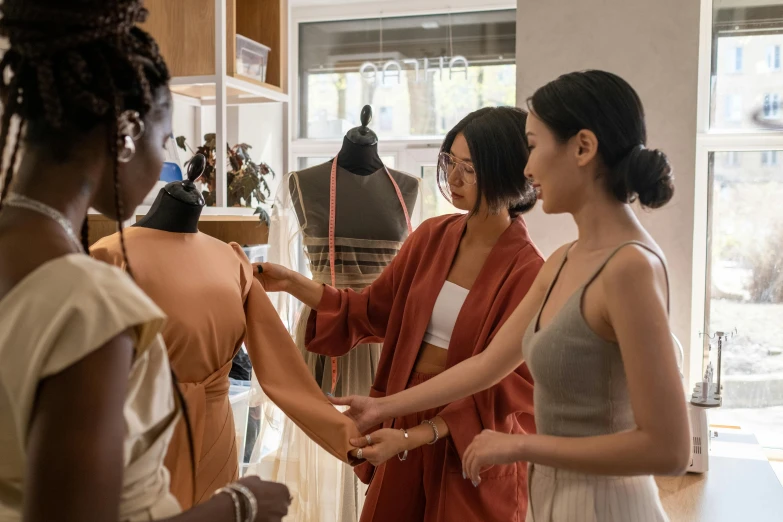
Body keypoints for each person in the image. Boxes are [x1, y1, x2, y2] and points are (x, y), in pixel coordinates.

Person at [334, 70, 691, 521]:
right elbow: (484, 368)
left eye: (535, 146)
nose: (526, 169)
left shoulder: (631, 268)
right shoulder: (564, 260)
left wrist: (520, 444)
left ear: (583, 148)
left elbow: (670, 449)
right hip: (552, 504)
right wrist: (383, 407)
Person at [0, 1, 289, 521]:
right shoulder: (91, 304)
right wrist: (237, 506)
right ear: (127, 132)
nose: (164, 164)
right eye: (163, 139)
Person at [255, 107, 543, 521]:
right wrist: (293, 283)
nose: (455, 179)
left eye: (471, 169)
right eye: (450, 162)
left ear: (507, 174)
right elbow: (372, 311)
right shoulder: (431, 237)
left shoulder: (529, 270)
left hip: (471, 434)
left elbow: (512, 388)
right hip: (402, 412)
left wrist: (416, 433)